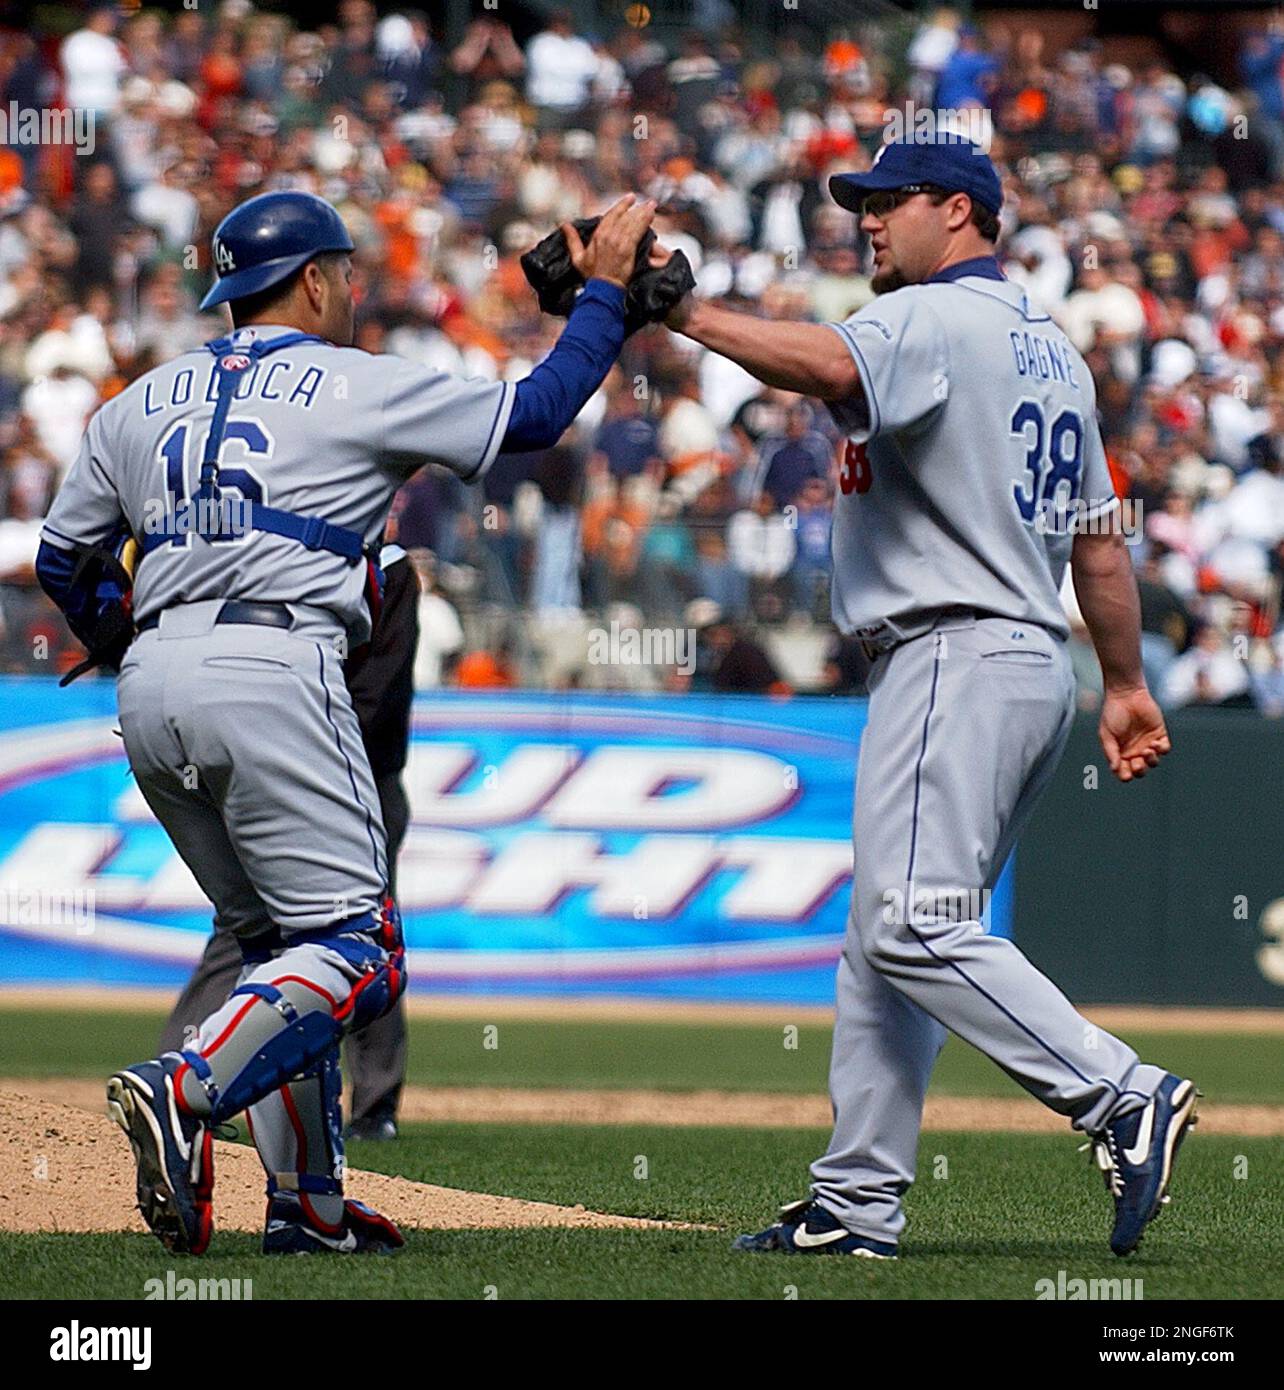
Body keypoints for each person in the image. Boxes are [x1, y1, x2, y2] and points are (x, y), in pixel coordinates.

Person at [37, 188, 655, 1255]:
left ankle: (308, 1206)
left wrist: (123, 626)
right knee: (360, 950)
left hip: (152, 683)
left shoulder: (138, 399)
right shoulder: (353, 380)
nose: (356, 287)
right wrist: (604, 292)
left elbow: (62, 558)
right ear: (316, 279)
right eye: (347, 271)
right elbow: (539, 413)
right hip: (272, 662)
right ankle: (183, 1086)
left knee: (281, 941)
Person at [660, 135, 1196, 1260]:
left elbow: (827, 367)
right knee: (886, 938)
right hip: (1027, 658)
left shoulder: (931, 317)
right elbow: (1100, 542)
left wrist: (683, 310)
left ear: (958, 211)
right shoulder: (1055, 348)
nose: (866, 219)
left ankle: (1120, 1093)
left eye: (886, 201)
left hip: (952, 647)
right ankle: (856, 1205)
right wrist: (1128, 682)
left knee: (911, 922)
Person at [156, 545, 419, 1143]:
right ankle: (182, 1072)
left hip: (357, 778)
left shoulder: (389, 567)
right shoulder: (286, 551)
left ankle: (375, 1103)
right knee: (247, 923)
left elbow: (381, 693)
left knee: (363, 930)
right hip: (272, 765)